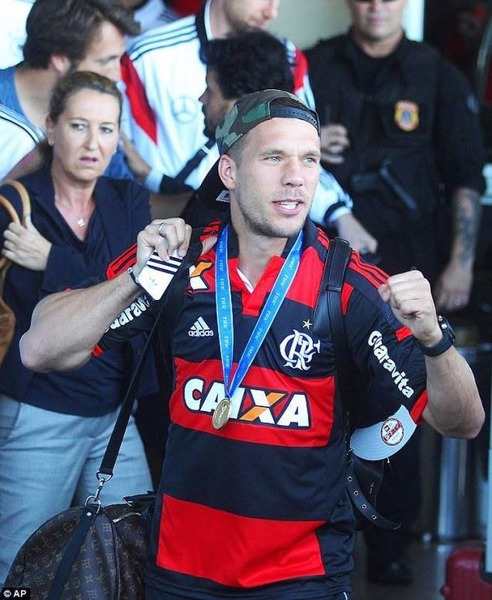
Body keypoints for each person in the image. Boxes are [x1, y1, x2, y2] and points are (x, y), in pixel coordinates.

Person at [20, 89, 484, 600]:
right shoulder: (179, 261)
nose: (296, 176)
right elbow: (40, 348)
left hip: (301, 582)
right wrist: (136, 277)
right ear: (229, 173)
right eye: (273, 157)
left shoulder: (348, 284)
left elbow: (463, 422)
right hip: (177, 577)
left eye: (309, 159)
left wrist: (434, 340)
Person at [305, 0, 487, 584]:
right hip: (320, 268)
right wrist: (311, 145)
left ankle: (389, 542)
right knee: (316, 395)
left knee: (400, 406)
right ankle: (315, 531)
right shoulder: (314, 66)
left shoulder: (436, 72)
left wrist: (459, 264)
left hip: (408, 275)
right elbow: (274, 147)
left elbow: (465, 175)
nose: (376, 6)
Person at [0, 71, 153, 584]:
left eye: (108, 129)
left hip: (115, 408)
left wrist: (53, 261)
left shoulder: (125, 200)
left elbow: (140, 285)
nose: (94, 143)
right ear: (50, 127)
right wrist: (100, 274)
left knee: (132, 551)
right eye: (80, 125)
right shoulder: (15, 205)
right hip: (39, 411)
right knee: (19, 563)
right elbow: (104, 284)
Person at [122, 0, 377, 252]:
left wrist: (340, 213)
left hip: (257, 244)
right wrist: (150, 178)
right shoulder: (146, 57)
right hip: (162, 239)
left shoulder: (287, 57)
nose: (272, 11)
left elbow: (297, 157)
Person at [0, 0, 142, 182]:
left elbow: (127, 203)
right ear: (60, 59)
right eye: (106, 61)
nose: (117, 76)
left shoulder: (97, 114)